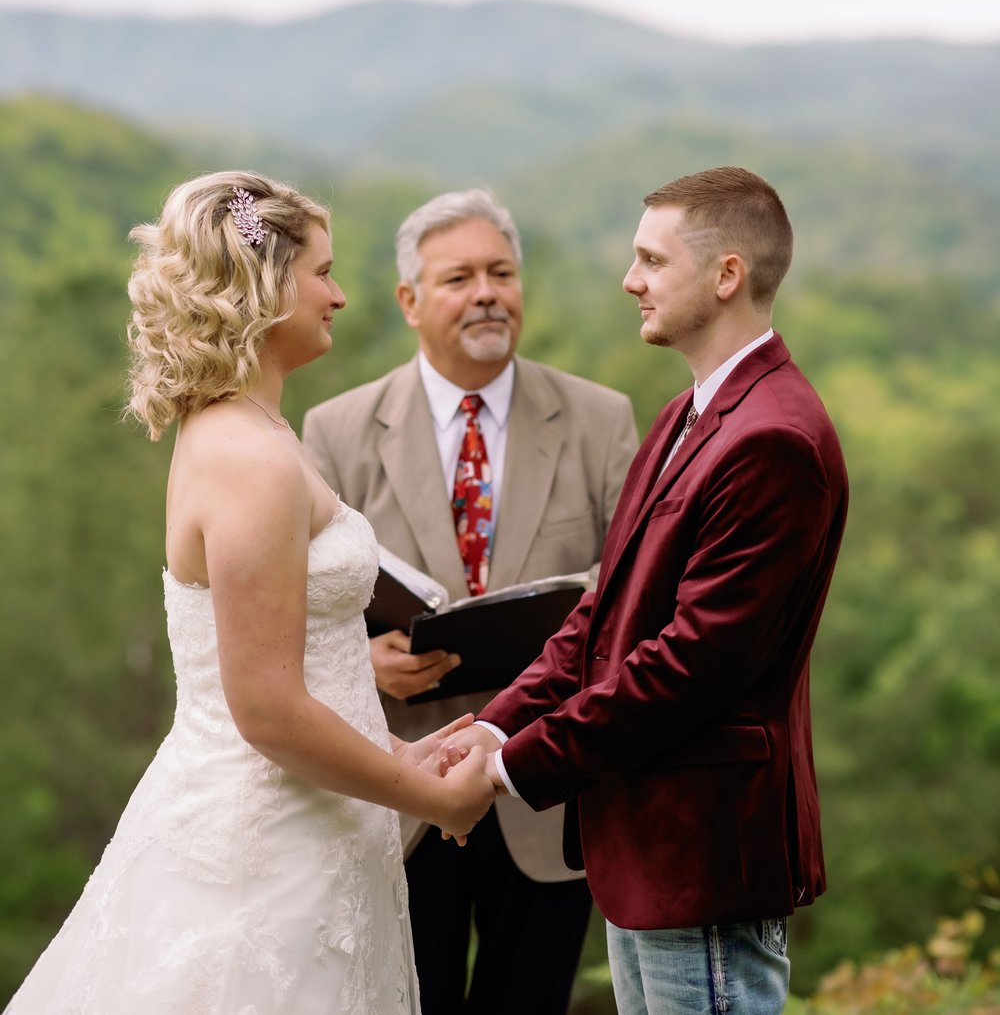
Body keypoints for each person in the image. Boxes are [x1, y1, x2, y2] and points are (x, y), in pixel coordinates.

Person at [5, 170, 494, 1015]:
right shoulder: (247, 458)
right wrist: (424, 794)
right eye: (324, 272)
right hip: (261, 856)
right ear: (268, 284)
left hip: (318, 829)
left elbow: (309, 664)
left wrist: (400, 754)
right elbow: (265, 705)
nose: (340, 295)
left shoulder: (267, 430)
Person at [443, 166, 849, 1015]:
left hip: (706, 859)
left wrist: (514, 767)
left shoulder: (774, 438)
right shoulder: (682, 417)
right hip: (642, 849)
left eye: (652, 260)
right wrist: (492, 723)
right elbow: (602, 616)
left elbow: (689, 665)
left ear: (726, 274)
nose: (630, 279)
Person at [303, 188, 638, 1015]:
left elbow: (638, 587)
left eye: (502, 272)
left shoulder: (602, 419)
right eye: (460, 277)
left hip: (547, 788)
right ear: (410, 301)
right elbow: (299, 614)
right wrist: (364, 661)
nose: (488, 291)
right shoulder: (336, 430)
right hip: (401, 791)